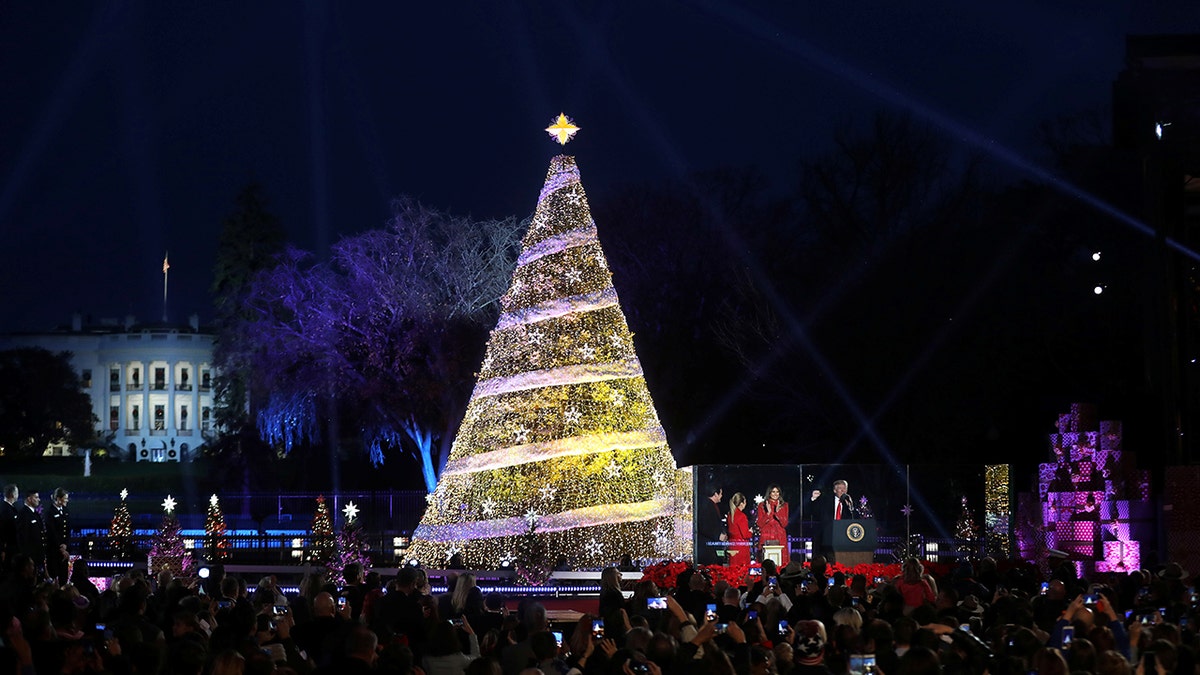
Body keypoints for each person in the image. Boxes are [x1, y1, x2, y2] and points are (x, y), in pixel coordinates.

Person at [810, 479, 854, 561]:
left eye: (845, 489)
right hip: (827, 536)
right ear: (834, 490)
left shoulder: (848, 502)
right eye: (840, 488)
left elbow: (854, 518)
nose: (843, 491)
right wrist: (813, 499)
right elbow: (814, 511)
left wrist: (850, 507)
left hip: (843, 536)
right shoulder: (825, 500)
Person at [756, 484, 790, 566]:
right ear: (769, 493)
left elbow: (785, 524)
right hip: (766, 535)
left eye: (777, 492)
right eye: (773, 492)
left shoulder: (784, 505)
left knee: (780, 562)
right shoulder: (762, 505)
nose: (775, 494)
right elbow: (760, 524)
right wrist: (768, 513)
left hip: (780, 536)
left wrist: (777, 513)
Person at [44, 487, 70, 584]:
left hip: (64, 551)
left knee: (64, 576)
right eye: (65, 498)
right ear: (58, 499)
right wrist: (61, 547)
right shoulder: (50, 512)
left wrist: (65, 545)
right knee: (54, 574)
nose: (67, 500)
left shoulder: (66, 511)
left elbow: (67, 530)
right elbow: (52, 532)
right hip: (54, 550)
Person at [15, 491, 44, 578]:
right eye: (36, 497)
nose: (38, 499)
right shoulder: (23, 514)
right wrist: (27, 557)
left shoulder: (35, 514)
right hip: (30, 558)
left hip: (37, 557)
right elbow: (22, 537)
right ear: (29, 499)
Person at [698, 485, 728, 565]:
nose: (722, 496)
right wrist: (718, 535)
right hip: (707, 548)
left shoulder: (711, 505)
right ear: (715, 494)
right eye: (720, 493)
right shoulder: (707, 506)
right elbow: (704, 526)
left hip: (712, 546)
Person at [727, 492, 751, 567]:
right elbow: (745, 535)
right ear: (741, 503)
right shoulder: (742, 516)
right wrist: (751, 532)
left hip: (732, 546)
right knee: (742, 570)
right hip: (741, 547)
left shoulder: (730, 515)